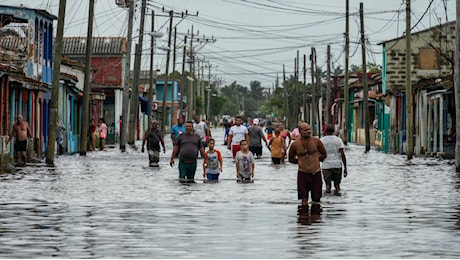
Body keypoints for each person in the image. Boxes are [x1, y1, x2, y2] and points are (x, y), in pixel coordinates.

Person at [288, 123, 327, 206]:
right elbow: (290, 159)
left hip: (316, 173)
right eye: (305, 130)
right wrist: (300, 162)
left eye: (309, 129)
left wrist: (316, 160)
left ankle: (315, 217)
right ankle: (303, 217)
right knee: (303, 200)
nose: (308, 131)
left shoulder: (316, 141)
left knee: (316, 200)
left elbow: (324, 154)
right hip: (303, 173)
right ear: (300, 131)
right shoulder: (295, 144)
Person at [320, 124, 347, 194]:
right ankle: (337, 201)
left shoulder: (321, 141)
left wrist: (321, 161)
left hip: (326, 166)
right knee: (337, 185)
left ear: (325, 131)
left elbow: (318, 154)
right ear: (334, 131)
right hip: (337, 165)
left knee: (328, 186)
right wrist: (345, 168)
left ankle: (328, 201)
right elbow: (342, 154)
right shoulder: (338, 140)